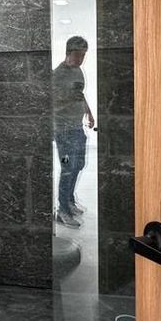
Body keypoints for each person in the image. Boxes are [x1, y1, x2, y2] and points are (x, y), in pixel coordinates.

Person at [52, 35, 94, 228]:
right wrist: (70, 99)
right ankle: (62, 211)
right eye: (78, 55)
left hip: (77, 128)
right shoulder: (57, 75)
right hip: (63, 131)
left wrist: (89, 112)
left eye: (83, 55)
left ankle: (69, 200)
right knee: (67, 168)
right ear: (68, 53)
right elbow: (53, 104)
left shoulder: (78, 71)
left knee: (78, 165)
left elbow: (80, 94)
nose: (81, 59)